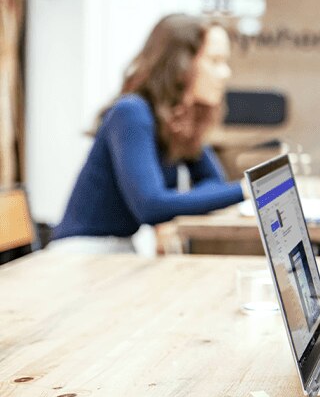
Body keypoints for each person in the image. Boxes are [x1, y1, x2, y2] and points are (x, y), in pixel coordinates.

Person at [50, 14, 245, 253]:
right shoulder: (131, 112)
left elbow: (214, 183)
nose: (225, 73)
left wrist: (172, 206)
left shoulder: (177, 123)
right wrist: (247, 189)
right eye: (214, 61)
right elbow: (151, 206)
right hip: (82, 254)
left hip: (119, 253)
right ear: (180, 64)